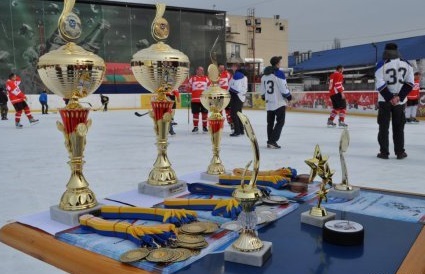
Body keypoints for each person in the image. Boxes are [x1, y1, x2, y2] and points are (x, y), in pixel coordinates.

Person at [375, 43, 414, 160]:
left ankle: (384, 152)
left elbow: (379, 83)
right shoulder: (407, 64)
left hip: (384, 100)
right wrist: (399, 97)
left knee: (383, 127)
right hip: (399, 102)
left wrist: (389, 97)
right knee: (398, 127)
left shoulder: (381, 64)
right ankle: (400, 152)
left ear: (386, 51)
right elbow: (410, 83)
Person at [260, 56, 292, 149]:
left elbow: (262, 91)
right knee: (280, 122)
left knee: (270, 123)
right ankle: (272, 141)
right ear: (277, 63)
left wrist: (264, 97)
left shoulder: (264, 76)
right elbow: (284, 88)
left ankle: (270, 141)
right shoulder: (279, 73)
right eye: (280, 62)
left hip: (269, 103)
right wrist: (289, 96)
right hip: (278, 102)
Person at [187, 66, 211, 133]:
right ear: (196, 70)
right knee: (195, 114)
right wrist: (188, 87)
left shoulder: (206, 78)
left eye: (202, 70)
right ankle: (195, 127)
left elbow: (210, 88)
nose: (201, 71)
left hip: (204, 99)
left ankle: (204, 127)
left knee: (205, 114)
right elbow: (188, 88)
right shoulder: (192, 78)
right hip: (195, 100)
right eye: (200, 70)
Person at [228, 63, 248, 136]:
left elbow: (236, 88)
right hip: (240, 97)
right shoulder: (242, 75)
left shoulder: (238, 75)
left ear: (236, 67)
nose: (231, 68)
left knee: (234, 114)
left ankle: (237, 131)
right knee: (239, 114)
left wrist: (229, 91)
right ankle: (241, 130)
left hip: (236, 96)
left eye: (233, 66)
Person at [218, 64, 233, 130]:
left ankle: (231, 123)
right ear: (218, 68)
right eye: (220, 68)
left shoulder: (227, 74)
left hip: (226, 95)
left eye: (223, 68)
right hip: (218, 96)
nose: (222, 69)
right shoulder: (215, 75)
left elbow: (231, 83)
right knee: (219, 111)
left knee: (228, 110)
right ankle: (220, 124)